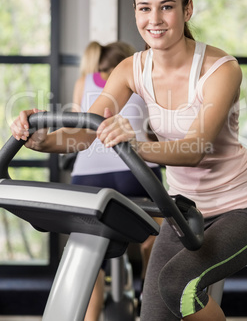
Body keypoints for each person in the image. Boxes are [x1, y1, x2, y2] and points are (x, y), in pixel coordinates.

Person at [11, 0, 247, 321]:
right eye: (145, 8)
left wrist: (132, 146)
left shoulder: (220, 68)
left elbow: (196, 149)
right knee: (154, 313)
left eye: (167, 6)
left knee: (177, 285)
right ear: (135, 12)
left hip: (242, 209)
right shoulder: (132, 68)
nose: (155, 19)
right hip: (184, 211)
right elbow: (88, 129)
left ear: (187, 9)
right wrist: (42, 140)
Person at [70, 40, 162, 320]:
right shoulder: (140, 78)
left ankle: (90, 314)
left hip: (87, 177)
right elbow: (153, 127)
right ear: (126, 63)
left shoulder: (83, 81)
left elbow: (77, 126)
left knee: (89, 254)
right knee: (157, 235)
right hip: (135, 171)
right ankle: (149, 289)